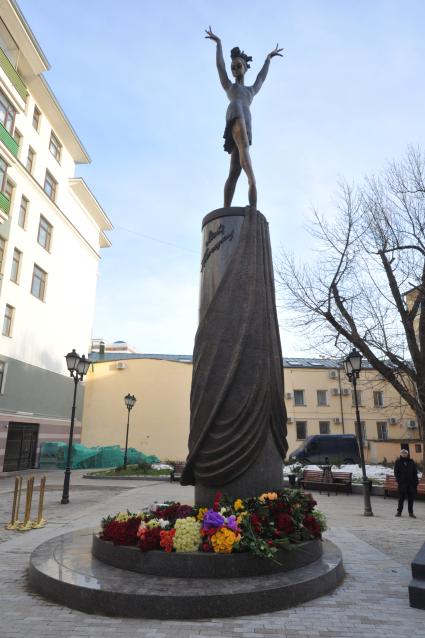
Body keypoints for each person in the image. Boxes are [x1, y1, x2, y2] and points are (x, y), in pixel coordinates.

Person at [205, 27, 283, 210]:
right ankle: (253, 193)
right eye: (233, 67)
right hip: (236, 113)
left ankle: (226, 209)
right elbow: (220, 67)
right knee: (246, 161)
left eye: (238, 65)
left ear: (245, 67)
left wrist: (268, 59)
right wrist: (219, 45)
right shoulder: (229, 87)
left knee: (234, 171)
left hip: (245, 123)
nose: (234, 69)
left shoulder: (250, 91)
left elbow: (261, 78)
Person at [394, 449, 419, 517]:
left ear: (407, 454)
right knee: (401, 499)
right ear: (401, 454)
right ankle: (399, 512)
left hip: (411, 484)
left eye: (405, 453)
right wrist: (399, 481)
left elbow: (415, 473)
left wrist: (416, 482)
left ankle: (411, 513)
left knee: (410, 499)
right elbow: (396, 473)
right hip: (402, 484)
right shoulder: (398, 462)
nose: (404, 454)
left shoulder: (411, 462)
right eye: (402, 453)